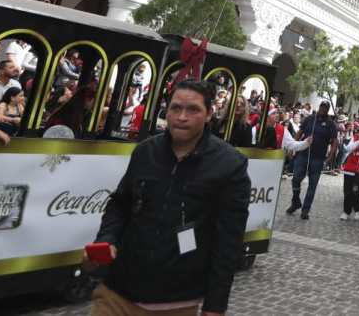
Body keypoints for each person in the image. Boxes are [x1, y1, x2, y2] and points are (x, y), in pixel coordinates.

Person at [86, 80, 249, 315]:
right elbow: (120, 204)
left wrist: (215, 306)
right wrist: (106, 239)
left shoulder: (230, 165)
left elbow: (228, 242)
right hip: (116, 293)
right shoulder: (145, 151)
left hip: (176, 301)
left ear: (209, 114)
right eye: (175, 108)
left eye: (193, 109)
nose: (182, 117)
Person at [286, 100, 338, 220]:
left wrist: (330, 156)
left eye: (325, 107)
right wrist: (292, 147)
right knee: (295, 180)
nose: (323, 109)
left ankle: (305, 210)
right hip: (303, 155)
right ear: (319, 107)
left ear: (328, 109)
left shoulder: (330, 124)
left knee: (312, 186)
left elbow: (335, 141)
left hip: (318, 159)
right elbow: (300, 132)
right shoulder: (310, 119)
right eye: (321, 107)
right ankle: (295, 202)